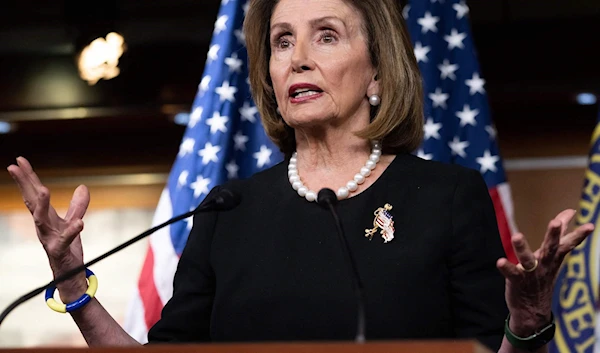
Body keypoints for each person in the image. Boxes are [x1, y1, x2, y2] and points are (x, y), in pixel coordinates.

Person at [6, 0, 594, 352]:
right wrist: (71, 280)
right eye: (281, 41)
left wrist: (529, 320)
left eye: (326, 35)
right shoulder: (227, 208)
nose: (297, 57)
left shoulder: (448, 197)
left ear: (379, 75)